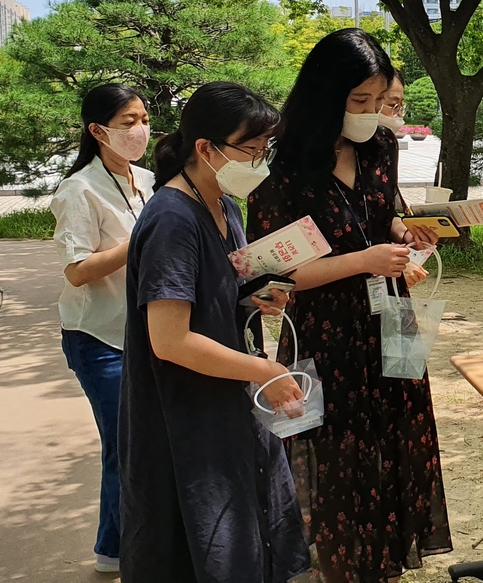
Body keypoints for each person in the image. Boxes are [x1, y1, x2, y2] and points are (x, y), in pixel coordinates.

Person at [247, 29, 453, 583]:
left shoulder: (380, 146)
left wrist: (407, 233)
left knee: (394, 436)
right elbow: (279, 270)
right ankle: (339, 566)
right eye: (357, 102)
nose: (370, 114)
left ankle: (383, 561)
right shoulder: (280, 167)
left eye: (378, 101)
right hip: (325, 326)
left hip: (392, 313)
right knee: (336, 452)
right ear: (324, 96)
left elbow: (385, 213)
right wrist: (363, 259)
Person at [119, 82, 310, 583]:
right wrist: (265, 370)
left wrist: (253, 296)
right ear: (206, 148)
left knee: (245, 532)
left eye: (264, 150)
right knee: (200, 540)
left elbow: (215, 293)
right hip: (185, 413)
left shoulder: (224, 205)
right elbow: (169, 339)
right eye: (251, 150)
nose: (260, 162)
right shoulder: (172, 219)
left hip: (225, 401)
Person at [50, 84, 155, 574]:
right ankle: (112, 551)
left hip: (146, 330)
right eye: (128, 122)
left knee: (145, 442)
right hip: (99, 339)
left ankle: (135, 541)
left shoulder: (149, 181)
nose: (140, 130)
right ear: (98, 131)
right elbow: (77, 270)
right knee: (124, 447)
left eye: (145, 119)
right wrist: (143, 240)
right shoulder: (78, 191)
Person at [378, 68, 429, 289]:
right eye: (392, 105)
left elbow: (385, 214)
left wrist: (408, 236)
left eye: (401, 106)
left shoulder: (386, 147)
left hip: (383, 289)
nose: (398, 114)